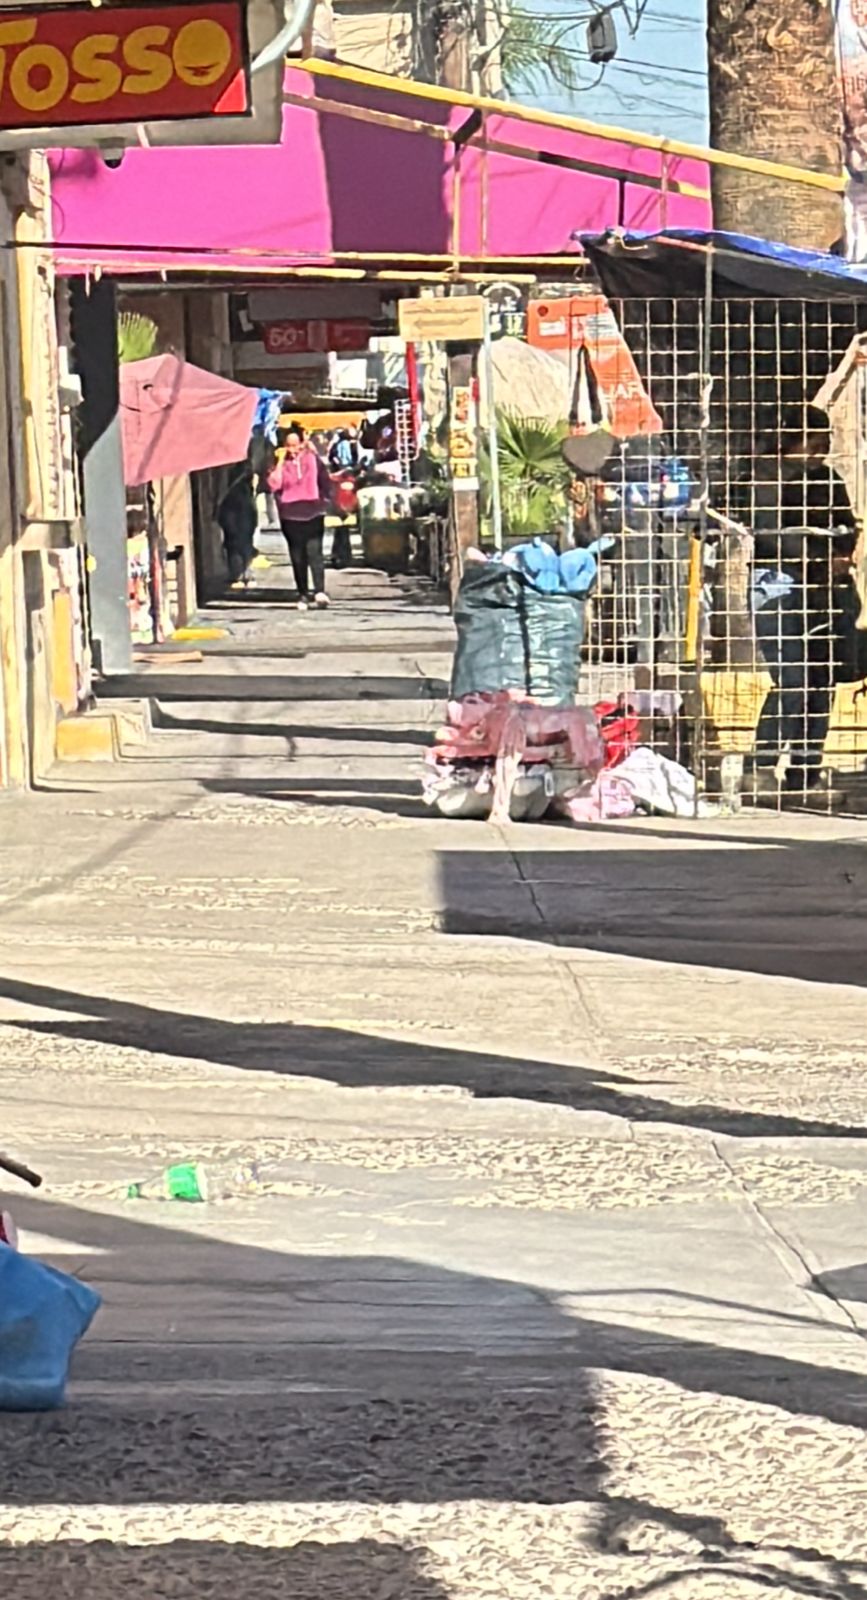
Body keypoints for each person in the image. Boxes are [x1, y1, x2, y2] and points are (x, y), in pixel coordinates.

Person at [743, 405, 859, 799]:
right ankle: (760, 768)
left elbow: (846, 523)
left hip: (824, 586)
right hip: (778, 582)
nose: (822, 448)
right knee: (792, 679)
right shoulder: (766, 475)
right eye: (817, 440)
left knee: (821, 679)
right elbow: (770, 532)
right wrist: (816, 556)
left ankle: (805, 772)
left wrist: (840, 555)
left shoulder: (826, 478)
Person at [267, 426, 333, 610]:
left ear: (303, 443)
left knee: (315, 552)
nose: (293, 449)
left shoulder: (312, 458)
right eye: (289, 445)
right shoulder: (279, 463)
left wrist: (324, 502)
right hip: (290, 515)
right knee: (297, 556)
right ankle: (303, 594)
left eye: (296, 445)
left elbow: (324, 479)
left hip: (313, 511)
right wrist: (281, 461)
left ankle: (319, 591)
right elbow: (274, 484)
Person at [217, 462, 258, 589]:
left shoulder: (229, 490)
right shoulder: (243, 490)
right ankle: (245, 574)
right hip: (241, 521)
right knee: (243, 547)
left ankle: (237, 575)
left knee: (234, 548)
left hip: (235, 522)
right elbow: (251, 510)